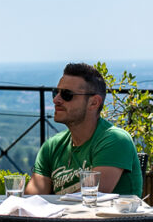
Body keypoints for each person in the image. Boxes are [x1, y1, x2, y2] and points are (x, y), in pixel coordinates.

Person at [25, 62, 143, 196]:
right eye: (55, 93)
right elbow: (31, 200)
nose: (56, 100)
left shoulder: (115, 140)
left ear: (94, 102)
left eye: (66, 94)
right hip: (63, 216)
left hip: (106, 217)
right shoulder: (51, 147)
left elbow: (90, 196)